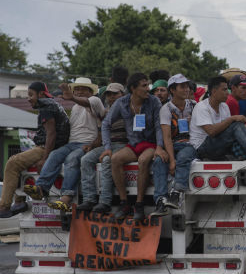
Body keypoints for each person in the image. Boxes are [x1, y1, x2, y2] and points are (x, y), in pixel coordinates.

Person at [24, 78, 105, 212]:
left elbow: (85, 102)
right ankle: (41, 188)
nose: (79, 92)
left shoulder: (95, 101)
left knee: (72, 159)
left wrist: (72, 97)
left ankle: (66, 198)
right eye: (77, 89)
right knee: (55, 154)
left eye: (83, 89)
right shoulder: (74, 108)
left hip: (85, 143)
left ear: (91, 91)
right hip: (71, 143)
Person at [0, 82, 70, 218]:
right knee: (20, 164)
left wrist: (45, 158)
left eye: (31, 95)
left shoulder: (46, 106)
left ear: (41, 94)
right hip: (53, 148)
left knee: (13, 163)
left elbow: (51, 134)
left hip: (45, 148)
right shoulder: (53, 104)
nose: (28, 98)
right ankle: (19, 201)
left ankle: (4, 206)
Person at [101, 73, 164, 221]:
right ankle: (124, 204)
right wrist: (107, 147)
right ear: (133, 89)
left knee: (143, 161)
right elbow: (106, 124)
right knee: (115, 159)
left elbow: (159, 126)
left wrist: (160, 147)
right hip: (133, 144)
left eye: (148, 85)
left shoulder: (154, 102)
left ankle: (139, 204)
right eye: (144, 86)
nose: (148, 89)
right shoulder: (122, 102)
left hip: (151, 144)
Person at [150, 74, 198, 217]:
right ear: (172, 90)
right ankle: (161, 200)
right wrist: (171, 160)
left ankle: (176, 193)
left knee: (184, 157)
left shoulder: (194, 105)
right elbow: (167, 137)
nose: (186, 89)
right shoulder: (166, 109)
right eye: (182, 86)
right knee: (159, 161)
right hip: (173, 144)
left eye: (187, 86)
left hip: (191, 144)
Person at [76, 83, 127, 213]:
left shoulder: (128, 109)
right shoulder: (105, 112)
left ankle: (105, 202)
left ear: (123, 94)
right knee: (85, 160)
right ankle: (89, 199)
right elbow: (101, 133)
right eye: (109, 95)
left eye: (115, 94)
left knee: (106, 161)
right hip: (107, 145)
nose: (111, 97)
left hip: (123, 145)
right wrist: (92, 145)